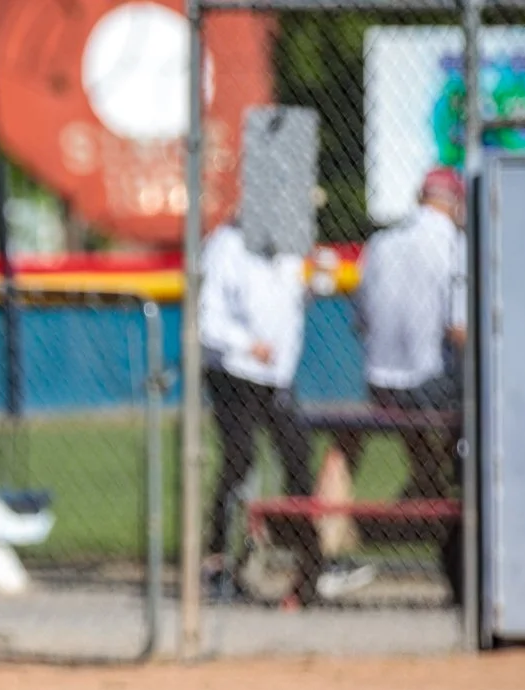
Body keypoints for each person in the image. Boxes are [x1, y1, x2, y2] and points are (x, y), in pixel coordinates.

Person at [198, 220, 326, 606]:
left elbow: (287, 302)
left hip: (276, 375)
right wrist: (247, 344)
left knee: (298, 458)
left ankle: (306, 559)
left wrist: (316, 283)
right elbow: (207, 320)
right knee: (239, 460)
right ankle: (218, 561)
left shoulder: (286, 245)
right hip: (233, 372)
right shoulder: (226, 245)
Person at [354, 167, 467, 500]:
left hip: (379, 385)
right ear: (456, 202)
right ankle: (455, 482)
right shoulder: (456, 245)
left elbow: (361, 321)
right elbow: (458, 329)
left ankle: (428, 480)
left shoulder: (380, 242)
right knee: (484, 389)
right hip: (425, 387)